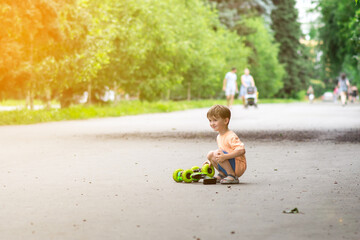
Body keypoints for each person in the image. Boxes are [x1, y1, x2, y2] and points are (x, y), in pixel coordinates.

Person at [205, 105, 247, 184]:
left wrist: (225, 157)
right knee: (211, 154)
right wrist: (210, 160)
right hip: (230, 162)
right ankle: (223, 174)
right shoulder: (219, 136)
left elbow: (242, 150)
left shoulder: (231, 136)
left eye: (215, 120)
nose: (212, 123)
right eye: (210, 120)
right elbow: (222, 151)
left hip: (238, 165)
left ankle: (232, 176)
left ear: (225, 121)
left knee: (218, 153)